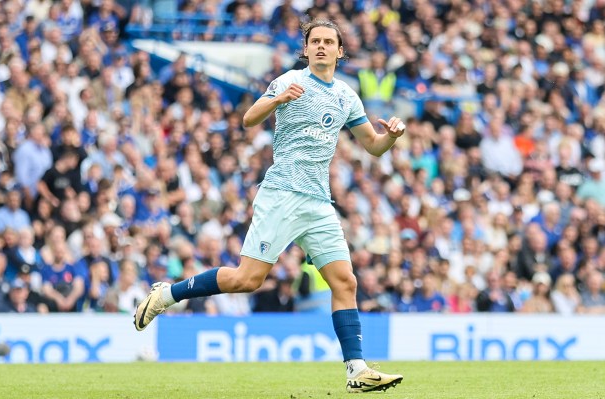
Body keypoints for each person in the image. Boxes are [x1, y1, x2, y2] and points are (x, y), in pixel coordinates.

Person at [134, 19, 404, 393]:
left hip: (319, 201)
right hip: (282, 193)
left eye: (329, 42)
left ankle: (356, 369)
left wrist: (390, 137)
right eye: (316, 42)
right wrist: (277, 100)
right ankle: (166, 295)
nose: (322, 47)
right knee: (248, 279)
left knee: (345, 281)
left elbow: (372, 146)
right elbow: (248, 119)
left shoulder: (347, 96)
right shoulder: (289, 81)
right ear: (306, 49)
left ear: (341, 52)